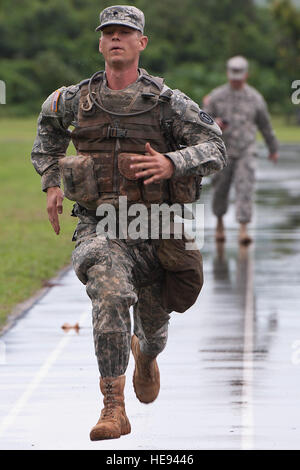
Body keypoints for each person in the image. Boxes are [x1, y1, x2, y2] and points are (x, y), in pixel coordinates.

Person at [31, 5, 227, 441]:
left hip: (157, 229)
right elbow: (46, 140)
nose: (116, 38)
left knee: (155, 329)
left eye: (125, 32)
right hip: (99, 227)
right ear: (100, 43)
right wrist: (51, 183)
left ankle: (146, 354)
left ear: (142, 42)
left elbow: (215, 147)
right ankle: (113, 407)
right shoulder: (71, 101)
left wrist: (172, 163)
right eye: (108, 33)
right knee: (111, 290)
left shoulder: (167, 103)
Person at [204, 56, 279, 244]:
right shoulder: (216, 96)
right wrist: (215, 123)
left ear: (246, 75)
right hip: (222, 151)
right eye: (233, 75)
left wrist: (273, 148)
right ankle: (219, 224)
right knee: (220, 188)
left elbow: (265, 126)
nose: (236, 79)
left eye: (239, 75)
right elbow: (202, 120)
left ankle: (243, 229)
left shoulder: (255, 98)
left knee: (245, 187)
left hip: (246, 150)